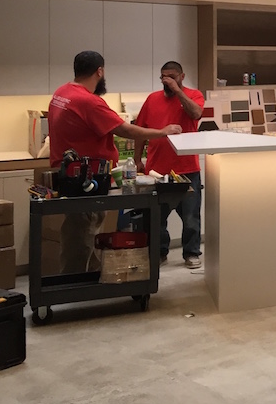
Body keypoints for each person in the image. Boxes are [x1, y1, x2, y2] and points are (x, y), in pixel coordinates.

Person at [48, 51, 181, 273]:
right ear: (99, 71)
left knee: (85, 233)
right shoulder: (88, 101)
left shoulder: (62, 92)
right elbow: (125, 130)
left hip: (71, 175)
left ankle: (91, 278)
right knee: (82, 234)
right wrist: (162, 132)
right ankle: (74, 283)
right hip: (86, 179)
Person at [134, 61, 205, 268]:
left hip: (187, 169)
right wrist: (138, 159)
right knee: (156, 217)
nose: (167, 81)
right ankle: (159, 252)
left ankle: (191, 253)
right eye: (163, 77)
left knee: (191, 217)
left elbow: (196, 113)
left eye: (172, 77)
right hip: (157, 170)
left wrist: (177, 91)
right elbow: (140, 131)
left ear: (182, 76)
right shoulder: (152, 99)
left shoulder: (193, 95)